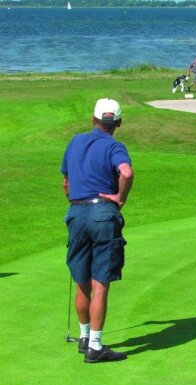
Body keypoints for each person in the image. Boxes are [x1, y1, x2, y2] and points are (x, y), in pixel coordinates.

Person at [61, 98, 134, 363]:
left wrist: (75, 201)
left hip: (77, 212)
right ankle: (95, 347)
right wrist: (120, 198)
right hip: (103, 211)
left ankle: (83, 337)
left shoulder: (75, 141)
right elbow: (126, 172)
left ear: (93, 120)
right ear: (118, 123)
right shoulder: (114, 145)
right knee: (99, 282)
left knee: (82, 278)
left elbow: (66, 183)